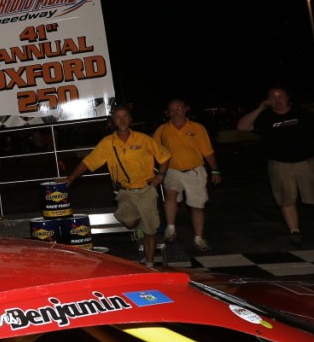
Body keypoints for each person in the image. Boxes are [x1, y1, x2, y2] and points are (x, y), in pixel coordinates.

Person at [64, 106, 171, 267]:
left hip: (146, 189)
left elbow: (164, 156)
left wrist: (160, 176)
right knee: (129, 222)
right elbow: (88, 162)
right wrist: (71, 178)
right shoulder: (108, 143)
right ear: (113, 122)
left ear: (130, 119)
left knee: (151, 231)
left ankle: (149, 265)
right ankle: (137, 227)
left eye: (125, 116)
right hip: (124, 191)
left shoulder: (143, 139)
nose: (122, 120)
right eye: (118, 117)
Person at [236, 86, 314, 246]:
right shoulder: (265, 118)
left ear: (288, 98)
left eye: (280, 96)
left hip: (307, 163)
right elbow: (241, 126)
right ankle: (294, 231)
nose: (277, 100)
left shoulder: (303, 114)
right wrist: (260, 108)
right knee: (286, 200)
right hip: (279, 165)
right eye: (273, 97)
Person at [152, 99, 221, 252]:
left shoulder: (197, 128)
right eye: (172, 109)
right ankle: (171, 229)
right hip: (172, 170)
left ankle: (199, 239)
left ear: (186, 109)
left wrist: (215, 170)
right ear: (167, 112)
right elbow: (153, 151)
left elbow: (207, 151)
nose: (176, 112)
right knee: (170, 196)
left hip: (195, 171)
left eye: (179, 108)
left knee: (197, 207)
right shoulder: (162, 130)